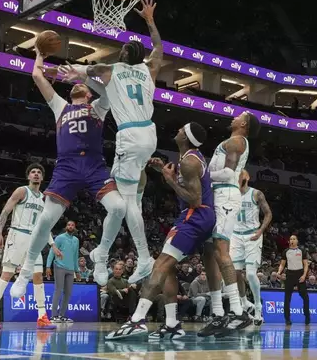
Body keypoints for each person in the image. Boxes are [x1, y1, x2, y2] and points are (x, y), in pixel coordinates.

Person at [9, 45, 127, 299]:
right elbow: (37, 77)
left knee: (119, 208)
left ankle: (102, 253)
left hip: (94, 165)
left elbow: (107, 88)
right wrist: (40, 54)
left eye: (82, 86)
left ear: (86, 92)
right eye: (75, 85)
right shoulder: (60, 106)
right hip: (67, 166)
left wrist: (83, 75)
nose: (76, 87)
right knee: (44, 221)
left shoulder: (98, 107)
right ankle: (26, 270)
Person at [60, 0, 162, 285]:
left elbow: (91, 71)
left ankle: (143, 257)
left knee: (125, 203)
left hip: (129, 137)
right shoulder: (148, 69)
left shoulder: (113, 70)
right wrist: (151, 22)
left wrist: (74, 72)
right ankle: (101, 254)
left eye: (122, 49)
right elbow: (159, 47)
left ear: (124, 55)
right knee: (122, 202)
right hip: (149, 134)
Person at [106, 122, 215, 341]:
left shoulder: (190, 162)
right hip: (197, 217)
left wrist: (169, 180)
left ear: (186, 137)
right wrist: (164, 171)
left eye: (181, 129)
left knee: (160, 265)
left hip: (196, 217)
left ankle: (137, 320)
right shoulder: (187, 158)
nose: (177, 131)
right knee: (169, 269)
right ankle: (173, 323)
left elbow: (195, 199)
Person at [198, 111, 260, 337]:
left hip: (225, 196)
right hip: (216, 195)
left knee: (221, 250)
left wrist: (201, 174)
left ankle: (237, 309)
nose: (233, 117)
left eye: (238, 116)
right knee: (208, 252)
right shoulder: (232, 141)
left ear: (243, 124)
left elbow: (227, 173)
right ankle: (217, 312)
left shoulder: (235, 141)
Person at [0, 164, 60, 330]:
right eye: (33, 172)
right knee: (7, 273)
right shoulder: (21, 191)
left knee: (38, 276)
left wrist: (52, 244)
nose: (36, 174)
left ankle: (42, 317)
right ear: (28, 176)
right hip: (17, 234)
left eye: (39, 172)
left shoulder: (44, 198)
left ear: (42, 178)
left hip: (35, 239)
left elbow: (44, 225)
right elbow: (5, 211)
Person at [231, 169, 272, 326]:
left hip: (252, 235)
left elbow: (268, 214)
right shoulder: (230, 193)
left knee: (250, 274)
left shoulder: (256, 194)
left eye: (241, 175)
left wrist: (260, 230)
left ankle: (258, 307)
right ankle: (244, 303)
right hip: (235, 235)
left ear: (247, 177)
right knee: (234, 273)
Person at [46, 221, 80, 323]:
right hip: (59, 266)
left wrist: (77, 270)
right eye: (69, 225)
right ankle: (53, 316)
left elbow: (75, 256)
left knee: (68, 293)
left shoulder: (76, 240)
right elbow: (52, 251)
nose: (70, 226)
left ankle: (61, 315)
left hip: (70, 269)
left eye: (72, 225)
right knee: (58, 290)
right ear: (66, 227)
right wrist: (48, 266)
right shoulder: (60, 237)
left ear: (75, 227)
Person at [277, 235, 310, 325]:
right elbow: (282, 264)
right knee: (287, 298)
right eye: (291, 239)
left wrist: (304, 275)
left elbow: (306, 264)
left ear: (297, 241)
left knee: (305, 297)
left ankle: (307, 316)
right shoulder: (286, 251)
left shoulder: (302, 250)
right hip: (290, 274)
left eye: (294, 239)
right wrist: (279, 272)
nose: (292, 240)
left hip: (300, 274)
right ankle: (287, 319)